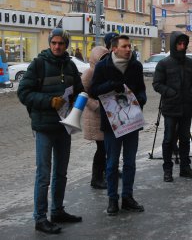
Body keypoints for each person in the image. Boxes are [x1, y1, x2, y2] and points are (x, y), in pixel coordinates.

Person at [17, 28, 83, 234]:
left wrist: (77, 100)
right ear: (49, 43)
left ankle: (57, 210)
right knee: (44, 174)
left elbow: (79, 89)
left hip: (65, 126)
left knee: (61, 173)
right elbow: (24, 93)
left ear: (66, 45)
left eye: (61, 43)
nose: (57, 46)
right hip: (44, 127)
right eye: (54, 43)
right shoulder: (38, 64)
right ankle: (40, 218)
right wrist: (48, 101)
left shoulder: (70, 65)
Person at [90, 35, 147, 216]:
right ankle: (112, 199)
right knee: (112, 163)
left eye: (129, 46)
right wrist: (111, 85)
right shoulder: (103, 66)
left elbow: (141, 90)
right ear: (114, 49)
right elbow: (93, 90)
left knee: (130, 162)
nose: (129, 49)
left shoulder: (136, 66)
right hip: (112, 123)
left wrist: (140, 100)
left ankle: (128, 197)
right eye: (125, 46)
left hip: (132, 121)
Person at [153, 31, 192, 182]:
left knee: (185, 138)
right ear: (174, 45)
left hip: (187, 106)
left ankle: (185, 168)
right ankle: (167, 170)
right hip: (170, 107)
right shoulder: (164, 64)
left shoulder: (191, 63)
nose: (182, 46)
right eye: (179, 44)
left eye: (184, 44)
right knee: (168, 139)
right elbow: (157, 84)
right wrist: (169, 92)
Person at [81, 46, 109, 190]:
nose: (104, 61)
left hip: (106, 115)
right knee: (102, 148)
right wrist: (96, 105)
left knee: (106, 148)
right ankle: (96, 178)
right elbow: (82, 94)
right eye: (101, 59)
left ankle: (102, 175)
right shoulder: (89, 73)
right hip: (95, 116)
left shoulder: (106, 71)